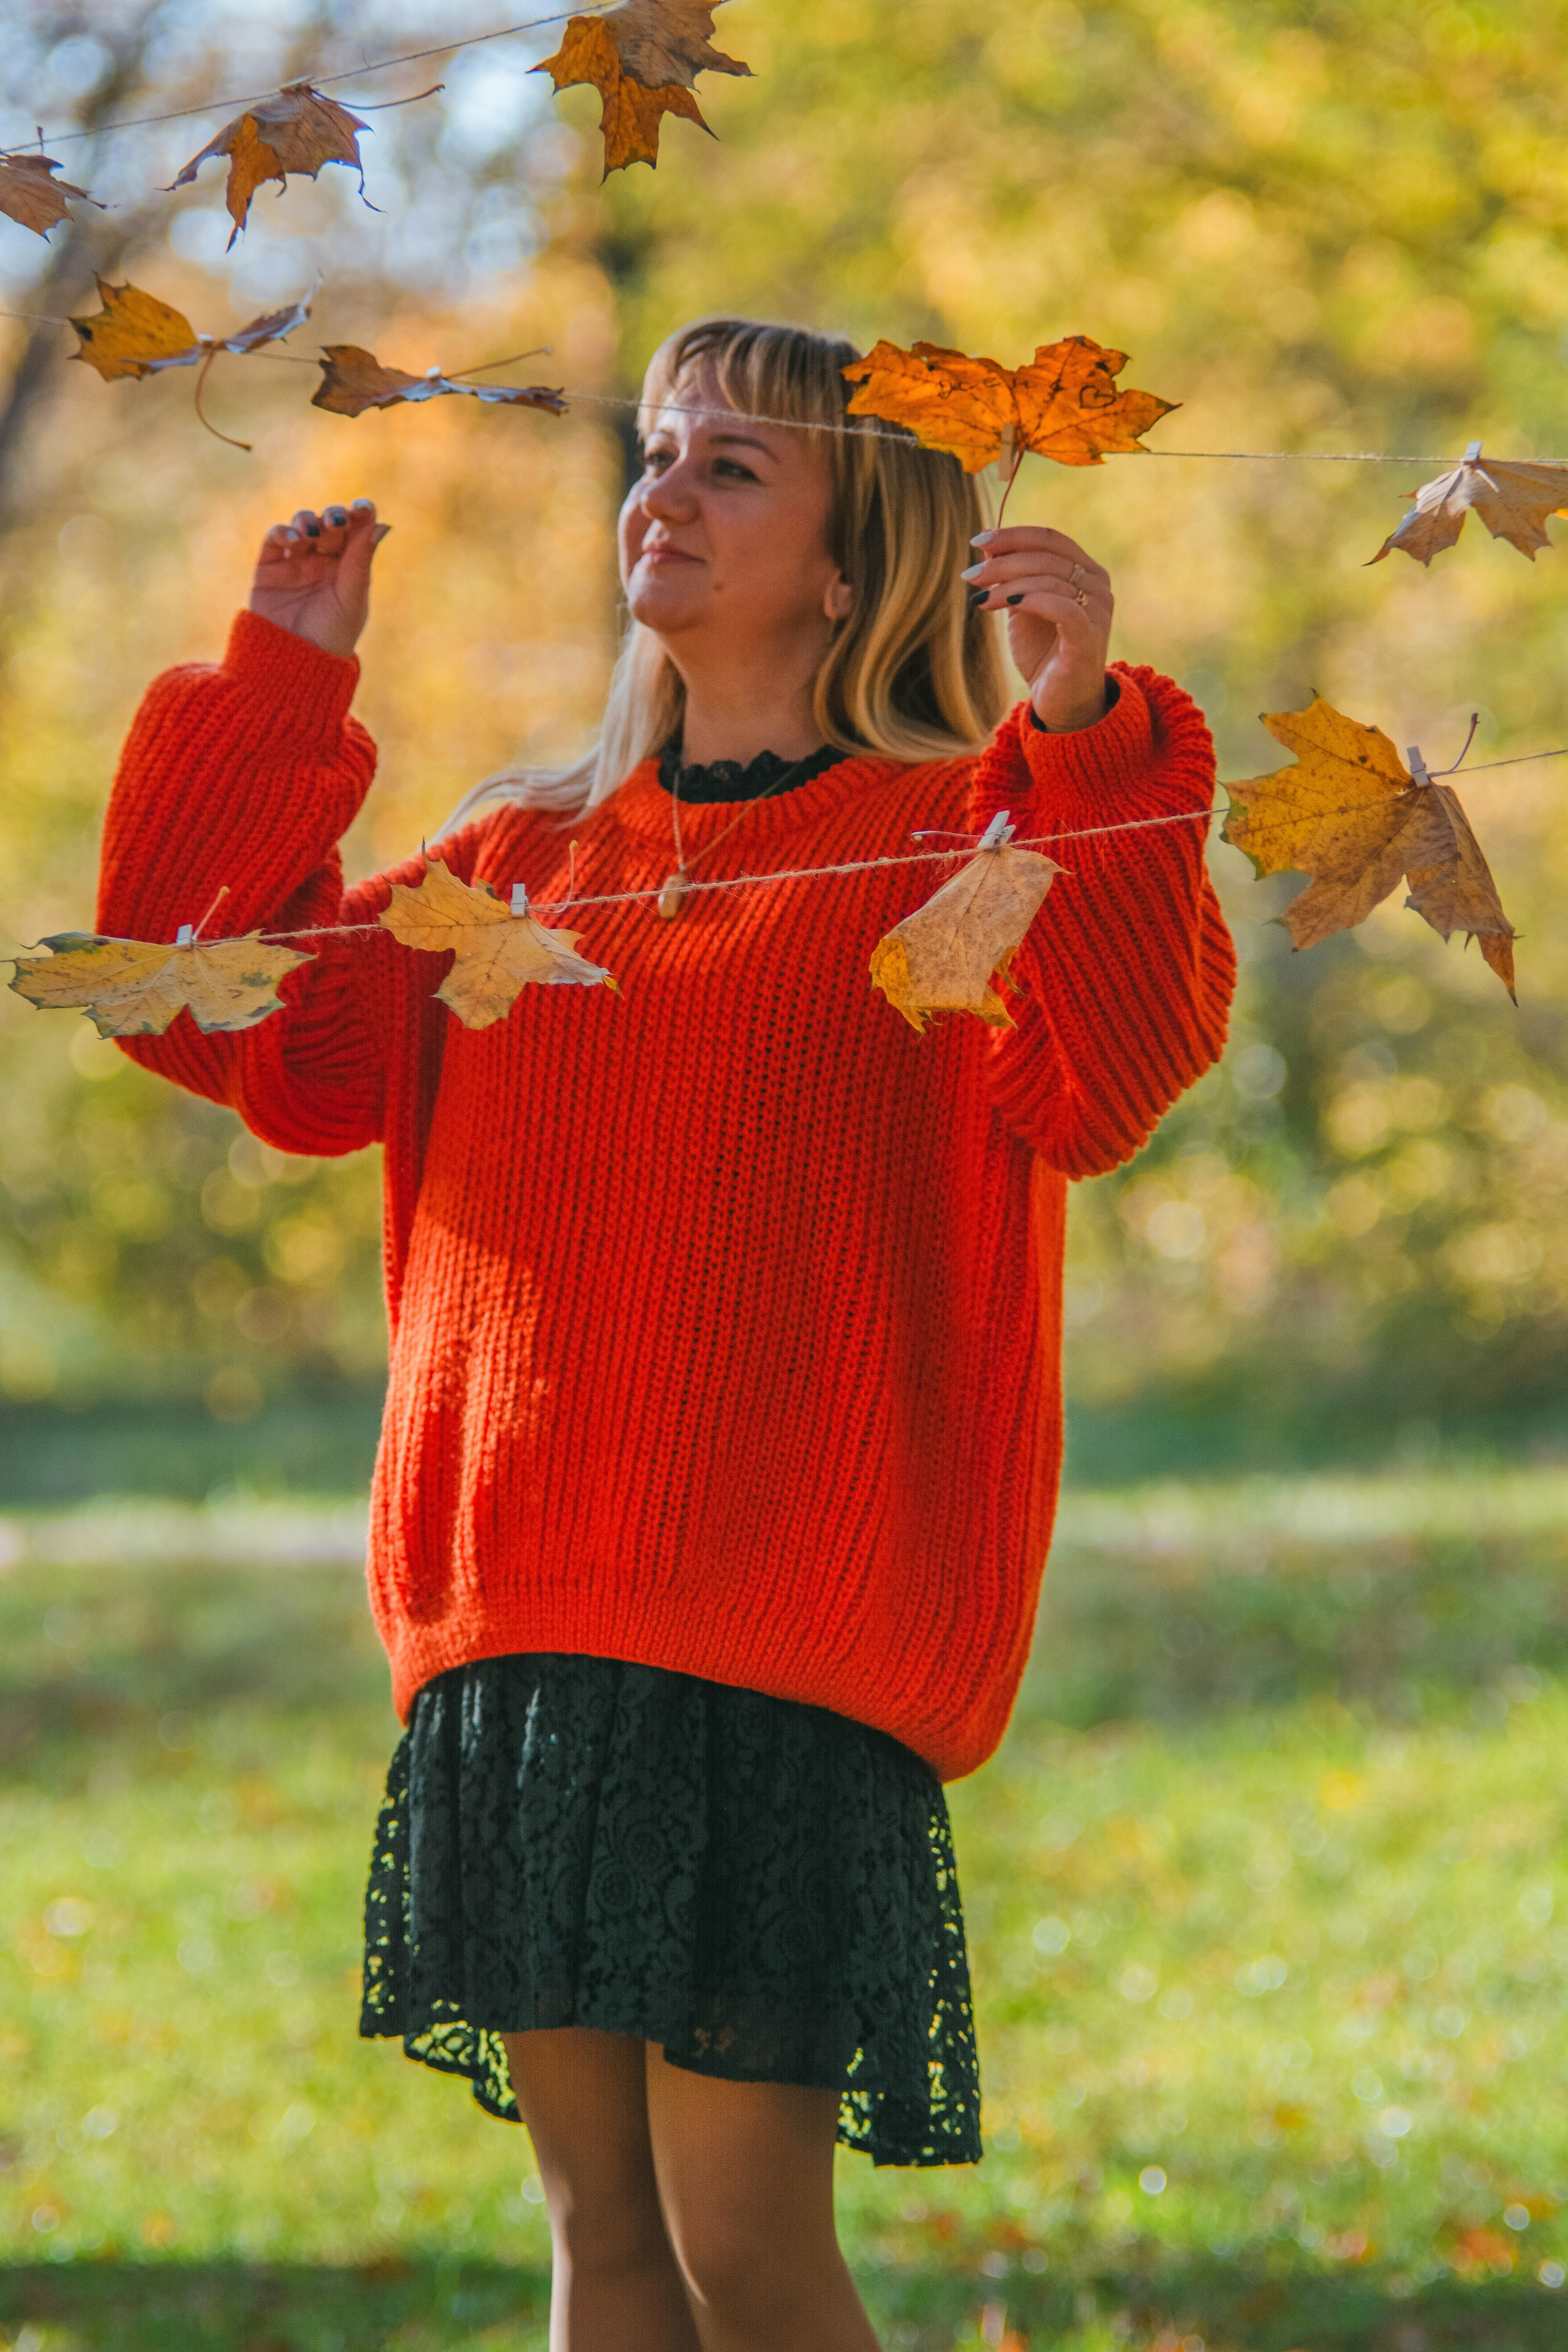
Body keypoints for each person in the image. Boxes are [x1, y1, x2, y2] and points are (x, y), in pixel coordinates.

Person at [97, 315, 1234, 2351]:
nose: (665, 491)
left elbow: (1109, 1078)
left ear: (852, 560)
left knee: (748, 2260)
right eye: (663, 451)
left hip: (776, 1643)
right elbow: (213, 1005)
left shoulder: (948, 838)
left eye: (733, 467)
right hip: (521, 1625)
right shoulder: (519, 865)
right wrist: (285, 685)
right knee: (601, 2253)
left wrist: (1082, 736)